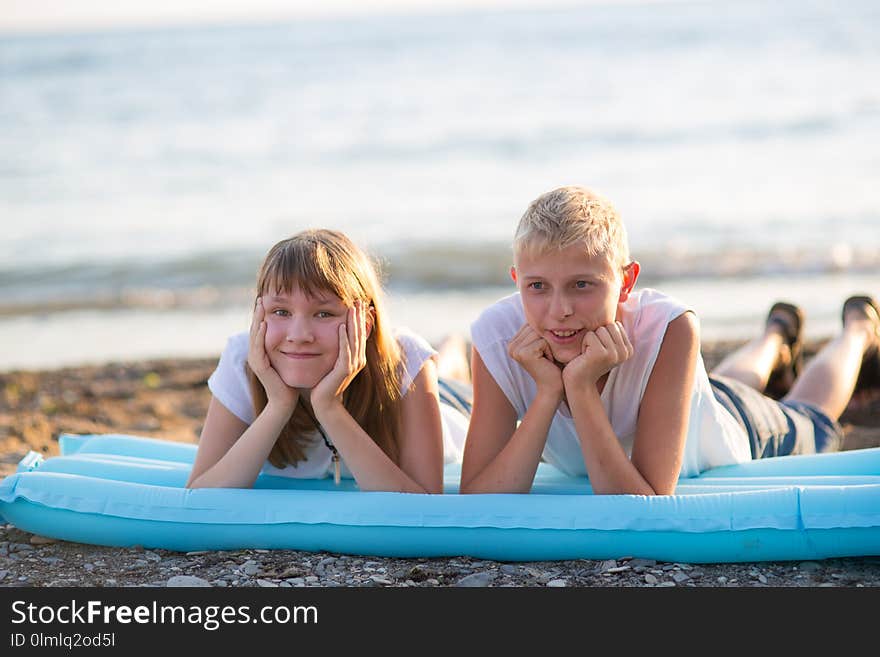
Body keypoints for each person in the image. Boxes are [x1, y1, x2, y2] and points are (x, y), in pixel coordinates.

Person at [459, 185, 879, 495]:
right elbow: (478, 495)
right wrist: (548, 392)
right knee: (718, 383)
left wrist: (581, 390)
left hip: (735, 427)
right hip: (694, 399)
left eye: (582, 284)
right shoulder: (497, 338)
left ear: (626, 282)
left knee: (808, 416)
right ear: (516, 282)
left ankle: (858, 328)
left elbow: (645, 500)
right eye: (537, 287)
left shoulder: (669, 327)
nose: (559, 309)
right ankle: (776, 333)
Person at [186, 229, 471, 493]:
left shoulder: (408, 361)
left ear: (365, 323)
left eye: (323, 314)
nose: (299, 336)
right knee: (446, 365)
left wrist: (329, 407)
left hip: (451, 405)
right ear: (258, 313)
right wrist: (278, 406)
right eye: (281, 312)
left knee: (445, 372)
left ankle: (453, 350)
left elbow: (423, 504)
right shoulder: (242, 359)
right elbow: (200, 492)